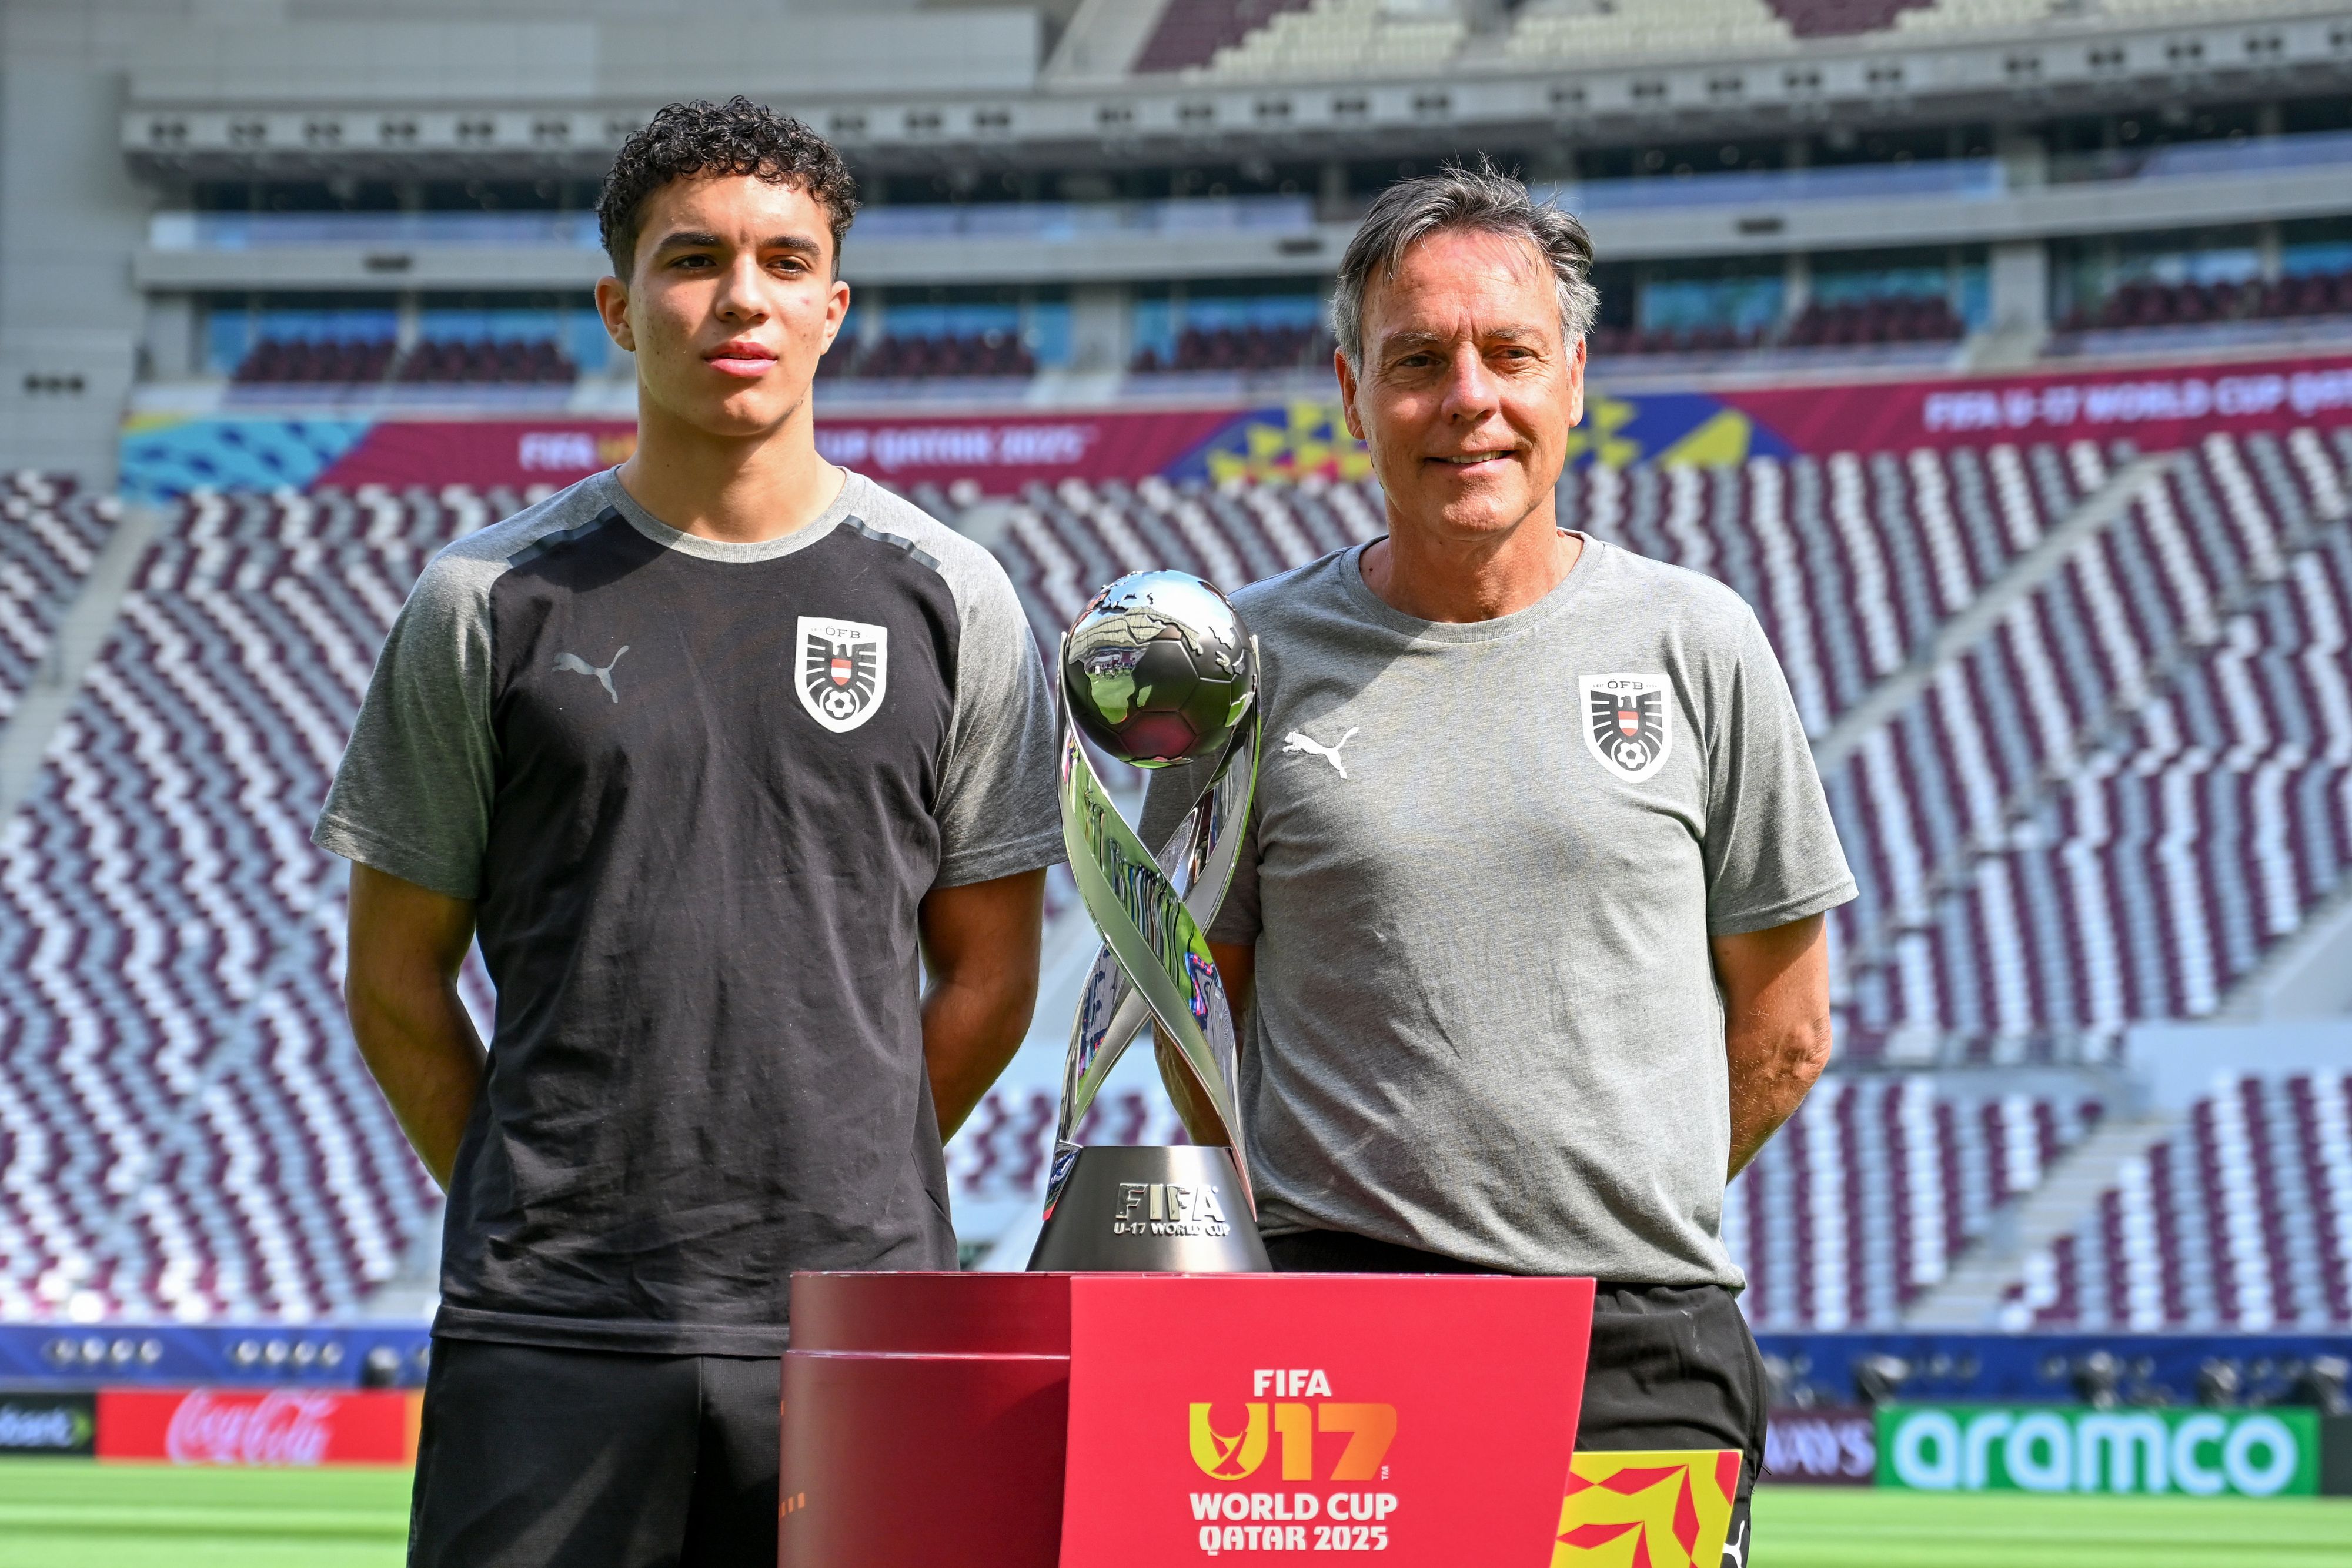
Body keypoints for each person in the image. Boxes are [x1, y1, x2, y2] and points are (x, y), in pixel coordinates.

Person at [316, 98, 1061, 1568]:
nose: (741, 298)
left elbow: (990, 975)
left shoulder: (951, 596)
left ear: (832, 308)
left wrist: (842, 1170)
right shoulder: (484, 600)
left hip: (858, 1321)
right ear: (618, 306)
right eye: (692, 259)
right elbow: (395, 978)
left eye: (785, 261)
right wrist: (536, 1196)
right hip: (552, 1328)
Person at [1143, 166, 1855, 1561]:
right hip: (1335, 1347)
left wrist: (1600, 1198)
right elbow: (1195, 1018)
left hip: (1636, 1349)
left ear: (1570, 377)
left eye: (1508, 353)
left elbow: (1785, 1025)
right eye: (1416, 361)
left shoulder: (1697, 642)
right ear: (1350, 393)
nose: (1466, 397)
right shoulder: (1243, 663)